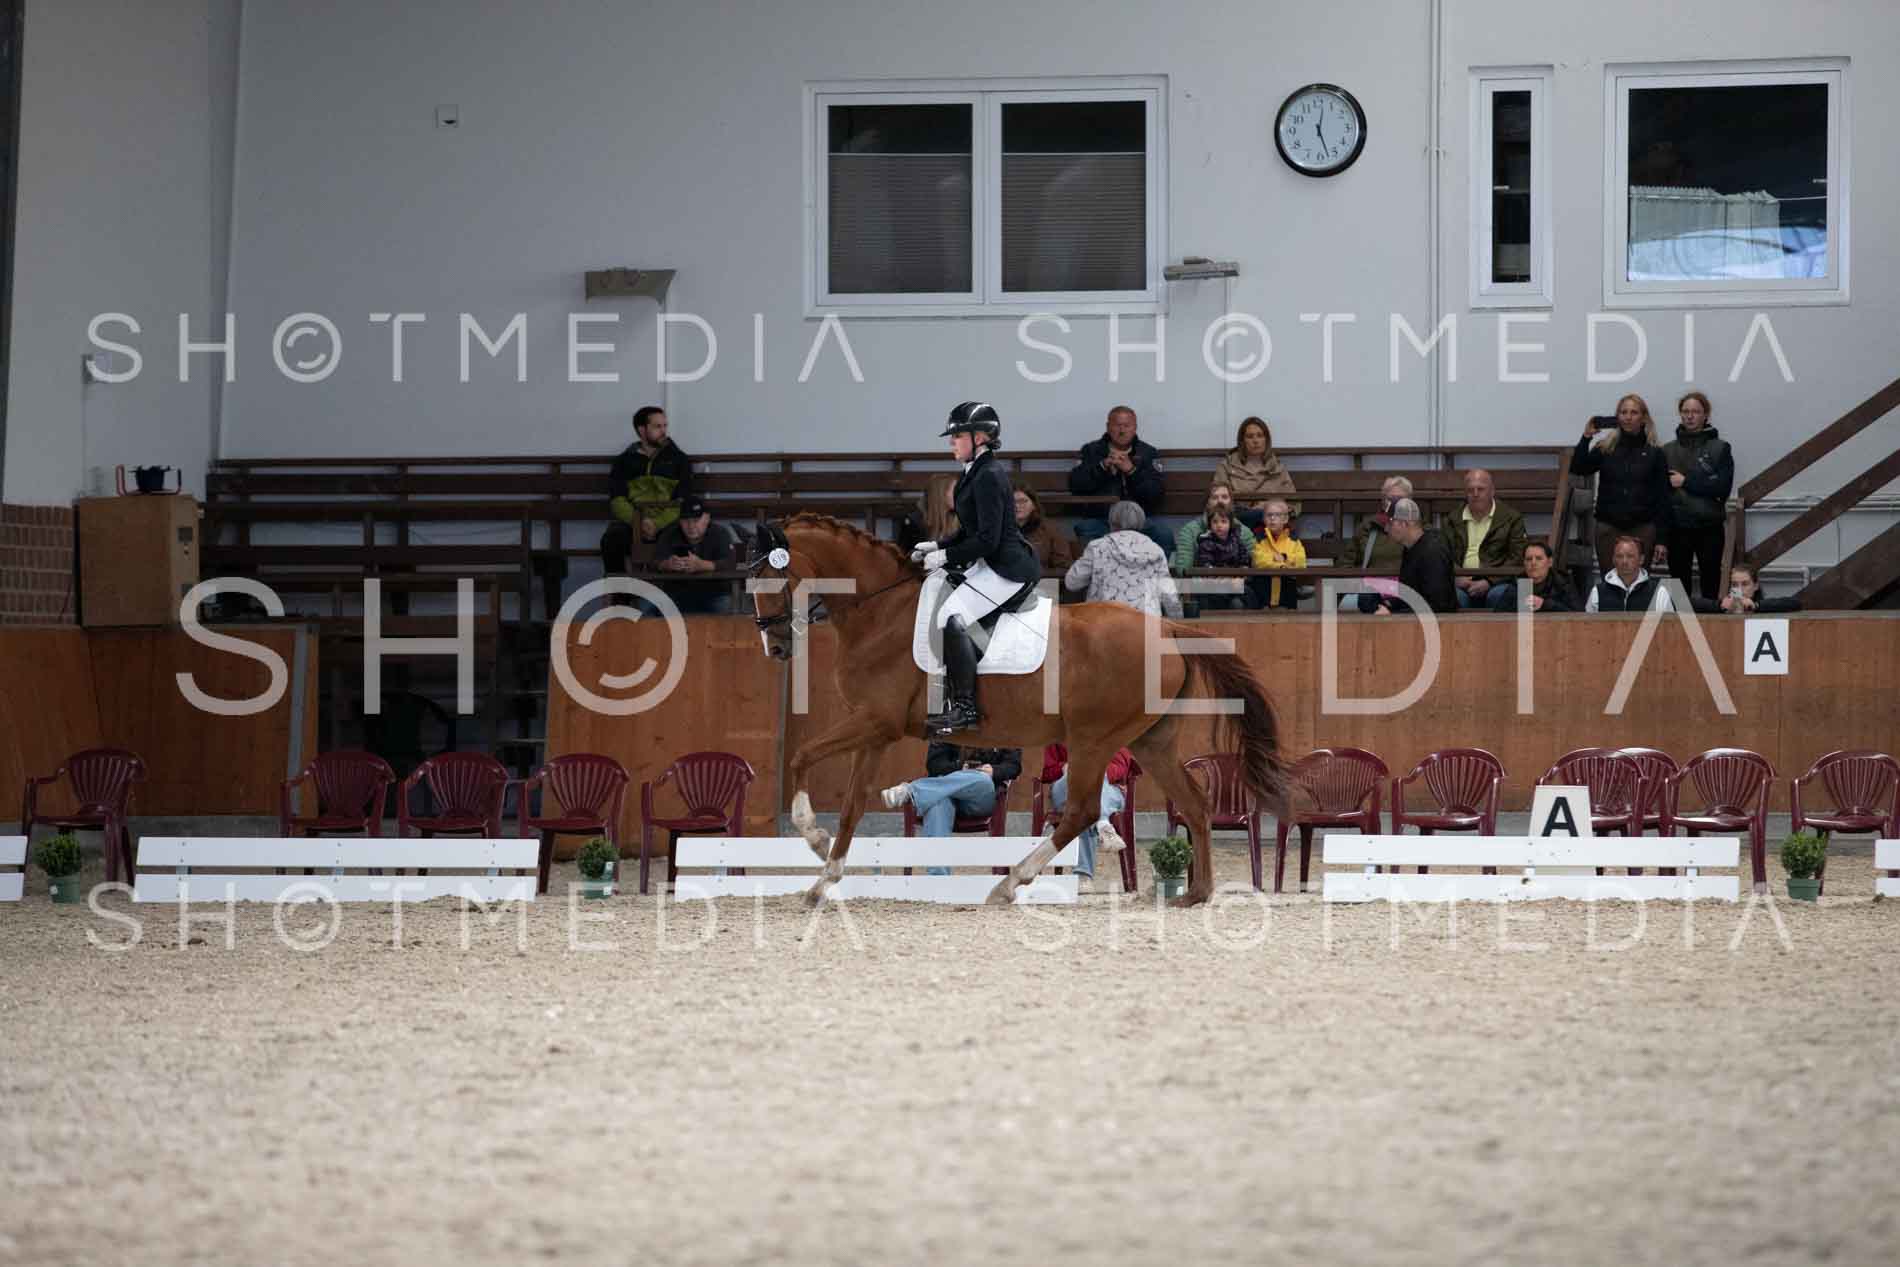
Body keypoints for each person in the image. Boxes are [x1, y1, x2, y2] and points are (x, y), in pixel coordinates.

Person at [910, 403, 1042, 736]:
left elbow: (987, 539)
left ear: (979, 437)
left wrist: (946, 556)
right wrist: (938, 545)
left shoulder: (990, 475)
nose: (951, 443)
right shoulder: (974, 472)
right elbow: (971, 529)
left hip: (1008, 567)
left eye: (957, 436)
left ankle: (965, 707)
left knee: (951, 616)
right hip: (990, 562)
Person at [881, 744, 1022, 877]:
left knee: (983, 780)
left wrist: (994, 770)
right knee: (937, 804)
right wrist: (959, 768)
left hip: (980, 798)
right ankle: (938, 879)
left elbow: (1014, 766)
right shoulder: (948, 726)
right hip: (947, 795)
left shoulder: (1003, 728)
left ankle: (912, 790)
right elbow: (934, 764)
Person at [1572, 394, 1673, 575]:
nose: (1628, 417)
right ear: (1617, 416)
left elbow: (1663, 497)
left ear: (1643, 417)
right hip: (1608, 527)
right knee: (1610, 582)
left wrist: (1662, 540)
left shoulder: (1655, 453)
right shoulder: (1605, 447)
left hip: (1642, 527)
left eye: (1634, 412)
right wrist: (1586, 436)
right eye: (1623, 412)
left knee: (1638, 583)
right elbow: (1579, 468)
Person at [601, 406, 693, 577]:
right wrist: (639, 523)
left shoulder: (679, 459)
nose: (664, 431)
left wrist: (656, 524)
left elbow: (682, 499)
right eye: (657, 426)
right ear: (642, 430)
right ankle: (619, 591)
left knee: (683, 538)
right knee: (611, 539)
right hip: (633, 522)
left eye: (665, 426)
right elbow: (617, 500)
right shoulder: (623, 461)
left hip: (667, 522)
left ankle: (672, 592)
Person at [1662, 391, 1735, 605]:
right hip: (1677, 527)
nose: (1690, 416)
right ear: (1680, 414)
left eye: (1695, 411)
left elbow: (1722, 488)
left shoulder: (1721, 448)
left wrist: (1685, 482)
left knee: (1710, 584)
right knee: (1678, 588)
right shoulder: (1666, 450)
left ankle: (1710, 621)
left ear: (1705, 415)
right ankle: (1681, 624)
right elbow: (1661, 494)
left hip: (1709, 526)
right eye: (1685, 411)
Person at [1066, 405, 1172, 552]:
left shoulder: (1148, 452)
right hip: (1102, 519)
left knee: (1164, 534)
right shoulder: (1091, 450)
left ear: (1135, 428)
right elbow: (1075, 485)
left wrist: (1131, 471)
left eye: (1127, 426)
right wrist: (1102, 467)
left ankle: (1157, 569)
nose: (1122, 431)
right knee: (1086, 530)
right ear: (1108, 427)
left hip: (1141, 520)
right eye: (1117, 425)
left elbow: (1156, 492)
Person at [1063, 500, 1182, 617]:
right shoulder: (1156, 550)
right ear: (1142, 522)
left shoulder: (1098, 547)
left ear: (1111, 522)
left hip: (1105, 622)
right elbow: (1169, 596)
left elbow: (1072, 582)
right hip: (1146, 623)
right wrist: (1178, 619)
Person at [1039, 743, 1130, 893]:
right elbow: (1047, 772)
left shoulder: (1112, 730)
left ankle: (1083, 876)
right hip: (1065, 789)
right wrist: (1067, 768)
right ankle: (1103, 824)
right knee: (1078, 778)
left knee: (1082, 806)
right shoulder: (1058, 733)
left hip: (1108, 791)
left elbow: (1121, 768)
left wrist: (1094, 770)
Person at [1443, 469, 1529, 612]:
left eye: (1481, 489)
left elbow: (1517, 556)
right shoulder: (1452, 519)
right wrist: (1456, 576)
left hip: (1499, 582)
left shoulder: (1512, 518)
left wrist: (1490, 580)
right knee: (1451, 596)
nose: (1475, 494)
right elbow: (1444, 554)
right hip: (1461, 582)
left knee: (1499, 595)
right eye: (1470, 490)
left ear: (1492, 491)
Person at [645, 496, 737, 615]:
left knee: (723, 607)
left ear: (707, 518)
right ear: (680, 521)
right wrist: (667, 564)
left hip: (714, 594)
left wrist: (702, 565)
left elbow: (730, 563)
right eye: (686, 521)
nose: (691, 526)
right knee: (645, 608)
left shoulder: (720, 533)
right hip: (676, 595)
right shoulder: (670, 533)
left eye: (696, 520)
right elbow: (653, 562)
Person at [1213, 416, 1300, 529]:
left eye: (1260, 435)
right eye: (1250, 436)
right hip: (1237, 521)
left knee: (1275, 520)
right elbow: (1217, 502)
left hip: (1271, 522)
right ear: (1242, 441)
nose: (1255, 441)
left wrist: (1271, 506)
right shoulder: (1227, 465)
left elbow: (1294, 504)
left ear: (1266, 439)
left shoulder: (1277, 467)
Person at [1374, 498, 1457, 616]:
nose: (1386, 529)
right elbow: (1411, 594)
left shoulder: (1432, 552)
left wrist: (1393, 613)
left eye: (1390, 524)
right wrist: (1389, 604)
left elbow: (1438, 605)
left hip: (1442, 622)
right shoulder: (1410, 547)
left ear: (1404, 523)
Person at [1342, 476, 1412, 612]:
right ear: (1383, 502)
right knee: (1347, 604)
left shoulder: (1419, 530)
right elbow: (1346, 563)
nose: (1395, 504)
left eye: (1400, 499)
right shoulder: (1368, 527)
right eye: (1390, 499)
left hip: (1406, 591)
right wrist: (1356, 585)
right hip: (1369, 591)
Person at [1171, 481, 1257, 571]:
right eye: (1215, 497)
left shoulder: (1244, 532)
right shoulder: (1189, 531)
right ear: (1207, 503)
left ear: (1231, 502)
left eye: (1224, 497)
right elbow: (1183, 569)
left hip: (1238, 579)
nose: (1220, 501)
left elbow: (1256, 564)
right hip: (1203, 579)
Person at [1586, 534, 1675, 612]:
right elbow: (1587, 625)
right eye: (1619, 556)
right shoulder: (1597, 592)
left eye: (1630, 556)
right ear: (1613, 559)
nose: (1624, 561)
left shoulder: (1659, 593)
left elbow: (1671, 625)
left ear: (1641, 559)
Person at [1189, 504, 1250, 611]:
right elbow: (1205, 564)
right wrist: (1219, 577)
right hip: (1214, 582)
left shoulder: (1237, 540)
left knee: (1246, 593)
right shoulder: (1206, 543)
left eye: (1223, 521)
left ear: (1230, 524)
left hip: (1234, 581)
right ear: (1210, 525)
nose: (1219, 525)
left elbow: (1244, 559)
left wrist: (1241, 576)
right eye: (1215, 522)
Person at [1248, 498, 1306, 610]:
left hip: (1287, 593)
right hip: (1263, 593)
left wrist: (1284, 558)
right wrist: (1281, 566)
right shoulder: (1259, 539)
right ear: (1264, 519)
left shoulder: (1294, 540)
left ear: (1285, 519)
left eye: (1277, 515)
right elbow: (1258, 561)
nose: (1272, 518)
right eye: (1269, 515)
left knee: (1288, 619)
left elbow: (1301, 562)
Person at [1013, 485, 1075, 570]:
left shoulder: (1049, 529)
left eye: (1023, 501)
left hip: (1041, 577)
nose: (1017, 506)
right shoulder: (999, 528)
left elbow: (1063, 564)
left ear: (1034, 505)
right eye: (1012, 502)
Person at [898, 472, 959, 555]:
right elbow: (906, 556)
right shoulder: (914, 522)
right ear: (940, 494)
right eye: (955, 490)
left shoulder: (962, 518)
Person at [1716, 562, 1801, 614]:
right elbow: (1707, 604)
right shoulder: (1725, 606)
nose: (1740, 589)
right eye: (1734, 584)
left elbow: (1795, 603)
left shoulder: (1762, 605)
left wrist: (1756, 606)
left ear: (1755, 586)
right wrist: (1720, 606)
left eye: (1745, 584)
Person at [1521, 540, 1579, 612]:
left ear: (1550, 562)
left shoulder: (1563, 583)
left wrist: (1545, 604)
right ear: (1524, 563)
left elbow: (1579, 614)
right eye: (1529, 559)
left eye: (1539, 558)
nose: (1533, 563)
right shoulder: (1516, 585)